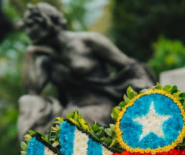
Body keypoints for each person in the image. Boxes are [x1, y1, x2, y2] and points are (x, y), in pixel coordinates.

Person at [18, 2, 154, 135]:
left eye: (30, 25)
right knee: (27, 102)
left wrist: (144, 92)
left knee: (73, 125)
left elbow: (131, 67)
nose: (28, 32)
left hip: (100, 105)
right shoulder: (45, 60)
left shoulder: (88, 41)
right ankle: (33, 145)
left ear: (46, 21)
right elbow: (32, 92)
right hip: (70, 110)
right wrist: (30, 54)